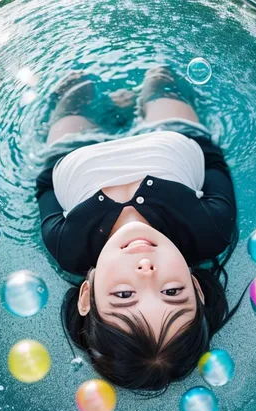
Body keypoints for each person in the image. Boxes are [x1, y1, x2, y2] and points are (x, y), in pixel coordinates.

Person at [36, 66, 240, 391]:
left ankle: (91, 104)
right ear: (197, 288)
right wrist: (187, 142)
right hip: (169, 132)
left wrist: (59, 162)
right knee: (159, 76)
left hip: (74, 150)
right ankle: (149, 95)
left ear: (87, 295)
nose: (146, 271)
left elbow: (46, 186)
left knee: (76, 87)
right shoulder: (210, 229)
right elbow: (212, 161)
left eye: (124, 294)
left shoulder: (68, 247)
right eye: (172, 292)